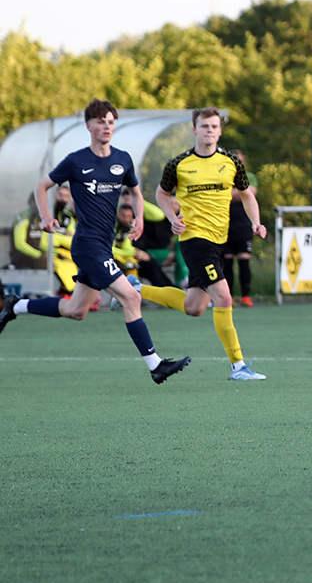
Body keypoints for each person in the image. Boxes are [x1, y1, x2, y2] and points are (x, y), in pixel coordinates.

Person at [0, 99, 191, 384]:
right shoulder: (76, 161)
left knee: (75, 310)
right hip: (87, 245)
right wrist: (45, 216)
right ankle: (155, 365)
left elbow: (137, 193)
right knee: (131, 296)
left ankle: (15, 306)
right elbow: (42, 186)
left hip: (103, 245)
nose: (107, 126)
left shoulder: (122, 159)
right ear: (89, 126)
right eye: (101, 121)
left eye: (111, 122)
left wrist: (139, 218)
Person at [137, 108, 268, 381]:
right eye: (204, 126)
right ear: (194, 130)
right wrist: (172, 218)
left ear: (220, 131)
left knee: (194, 306)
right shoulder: (179, 164)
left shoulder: (232, 162)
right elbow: (161, 194)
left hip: (221, 239)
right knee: (223, 296)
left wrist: (255, 222)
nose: (209, 130)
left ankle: (136, 289)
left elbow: (247, 195)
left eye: (214, 126)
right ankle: (238, 366)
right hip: (195, 239)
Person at [221, 149, 257, 307]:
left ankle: (246, 296)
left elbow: (250, 193)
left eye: (240, 160)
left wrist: (231, 192)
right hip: (224, 225)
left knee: (244, 261)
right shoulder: (222, 176)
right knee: (226, 262)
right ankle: (229, 297)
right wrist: (236, 193)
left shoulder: (249, 177)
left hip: (243, 226)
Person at [113, 204, 175, 288]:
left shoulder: (131, 226)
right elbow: (110, 249)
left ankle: (170, 290)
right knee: (145, 264)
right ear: (118, 214)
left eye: (129, 216)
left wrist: (139, 200)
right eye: (123, 216)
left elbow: (159, 215)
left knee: (150, 264)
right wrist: (134, 253)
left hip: (129, 258)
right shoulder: (113, 226)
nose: (126, 219)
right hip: (118, 259)